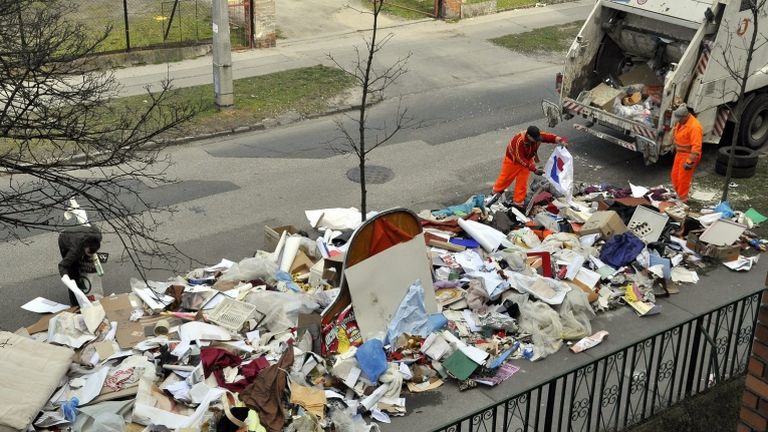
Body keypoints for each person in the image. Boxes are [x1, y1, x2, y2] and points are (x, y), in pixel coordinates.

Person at [490, 125, 567, 208]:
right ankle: (494, 194)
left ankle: (518, 203)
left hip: (527, 160)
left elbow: (548, 137)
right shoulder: (518, 141)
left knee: (522, 183)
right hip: (513, 161)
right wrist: (534, 169)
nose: (537, 140)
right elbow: (520, 158)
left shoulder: (537, 136)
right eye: (535, 139)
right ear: (529, 136)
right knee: (505, 179)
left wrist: (560, 140)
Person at [58, 225, 102, 306]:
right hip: (64, 238)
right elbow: (62, 266)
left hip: (78, 233)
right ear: (85, 247)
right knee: (73, 271)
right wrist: (67, 280)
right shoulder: (74, 250)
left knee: (84, 263)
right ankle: (76, 304)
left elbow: (91, 225)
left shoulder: (98, 236)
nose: (91, 255)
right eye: (89, 253)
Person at [670, 104, 703, 202]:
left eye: (679, 119)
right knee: (674, 176)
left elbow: (696, 148)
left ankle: (683, 199)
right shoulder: (682, 122)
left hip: (688, 156)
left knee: (683, 179)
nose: (677, 121)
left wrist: (689, 162)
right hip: (679, 154)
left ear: (686, 116)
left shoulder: (695, 127)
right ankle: (679, 194)